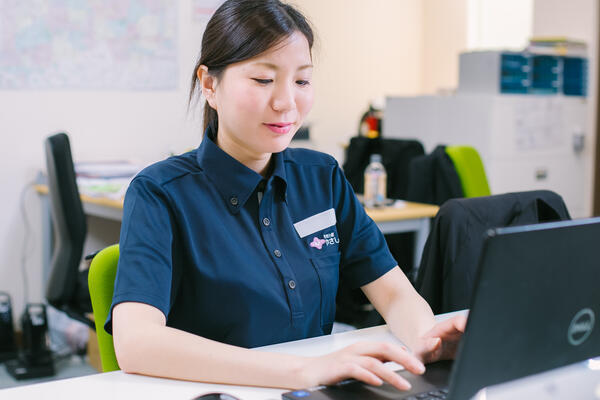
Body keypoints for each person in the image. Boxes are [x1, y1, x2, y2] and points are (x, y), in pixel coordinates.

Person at [108, 0, 466, 391]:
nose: (286, 103)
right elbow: (137, 342)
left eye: (302, 81)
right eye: (263, 80)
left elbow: (394, 292)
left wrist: (425, 338)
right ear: (210, 84)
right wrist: (303, 371)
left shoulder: (322, 176)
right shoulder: (160, 193)